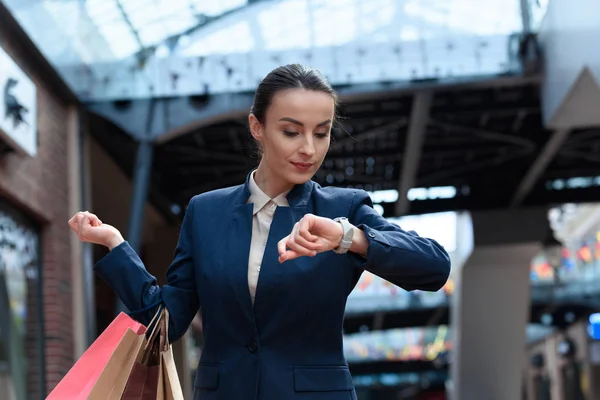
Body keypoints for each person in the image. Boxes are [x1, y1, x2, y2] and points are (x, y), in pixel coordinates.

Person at [68, 64, 451, 400]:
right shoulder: (206, 212)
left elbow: (434, 266)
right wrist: (115, 246)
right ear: (258, 127)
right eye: (291, 131)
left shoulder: (342, 210)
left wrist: (347, 238)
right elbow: (165, 324)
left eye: (322, 133)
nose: (309, 149)